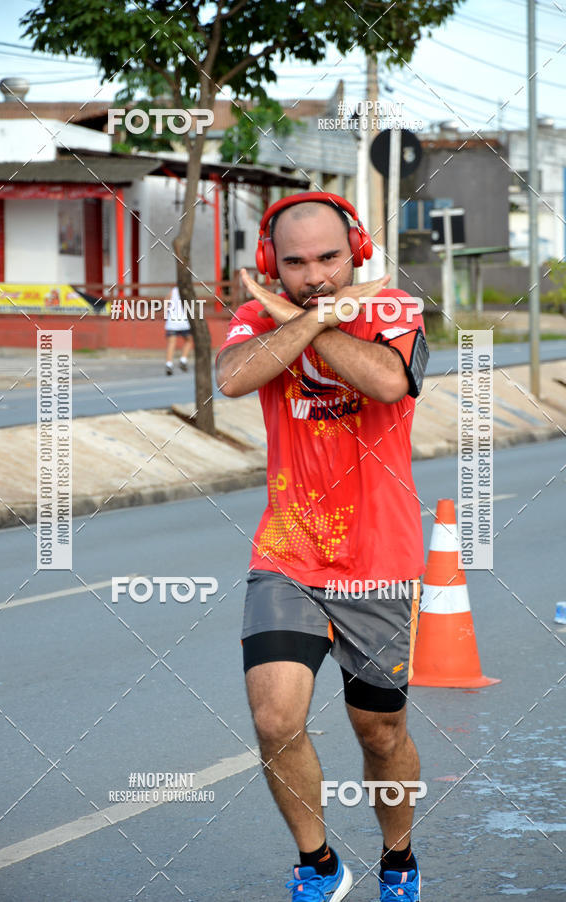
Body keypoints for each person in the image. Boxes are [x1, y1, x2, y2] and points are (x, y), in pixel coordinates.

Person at [215, 193, 429, 902]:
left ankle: (397, 859)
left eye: (329, 259)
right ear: (273, 265)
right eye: (297, 263)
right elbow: (235, 378)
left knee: (380, 732)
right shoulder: (257, 316)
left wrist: (311, 322)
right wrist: (308, 317)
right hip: (288, 553)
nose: (315, 276)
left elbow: (388, 382)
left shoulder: (392, 308)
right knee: (275, 718)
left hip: (380, 559)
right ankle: (319, 865)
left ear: (357, 251)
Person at [165, 284, 193, 375]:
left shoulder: (173, 291)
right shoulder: (188, 291)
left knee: (171, 343)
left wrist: (167, 313)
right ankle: (183, 359)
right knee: (189, 340)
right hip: (184, 322)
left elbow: (166, 302)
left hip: (172, 322)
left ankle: (169, 364)